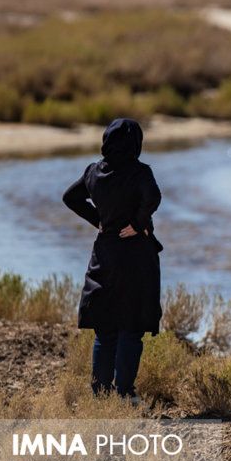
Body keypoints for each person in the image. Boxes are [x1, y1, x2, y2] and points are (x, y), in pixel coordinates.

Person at [63, 118, 163, 403]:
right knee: (131, 327)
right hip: (135, 256)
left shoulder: (94, 171)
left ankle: (99, 394)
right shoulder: (141, 172)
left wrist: (100, 221)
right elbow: (153, 197)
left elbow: (70, 198)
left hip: (104, 254)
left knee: (105, 329)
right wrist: (137, 222)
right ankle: (125, 394)